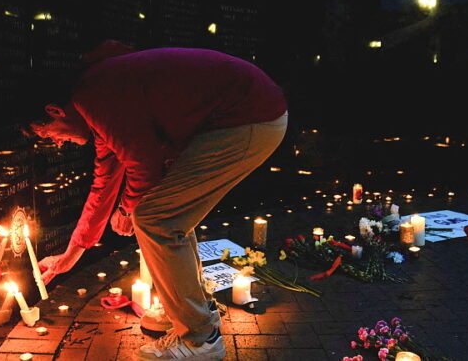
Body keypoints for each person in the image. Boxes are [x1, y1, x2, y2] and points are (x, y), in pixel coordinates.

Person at [30, 41, 287, 360]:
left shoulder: (95, 95)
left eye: (49, 135)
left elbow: (143, 163)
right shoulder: (98, 101)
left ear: (54, 111)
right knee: (166, 215)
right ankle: (189, 310)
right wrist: (72, 254)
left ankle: (201, 339)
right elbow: (104, 183)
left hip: (247, 116)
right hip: (248, 113)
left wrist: (128, 208)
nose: (58, 143)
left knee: (157, 218)